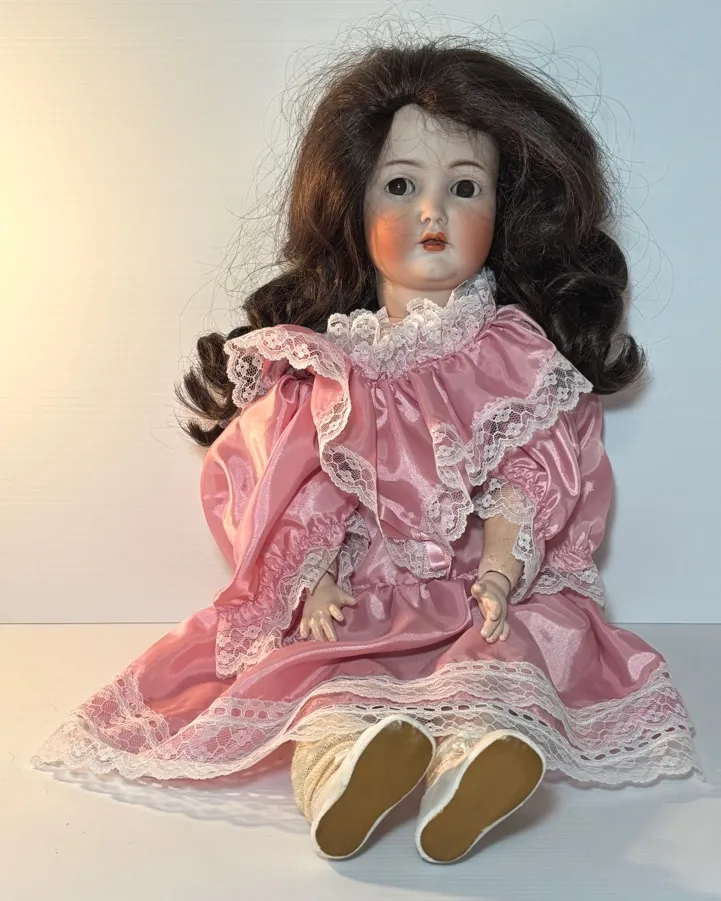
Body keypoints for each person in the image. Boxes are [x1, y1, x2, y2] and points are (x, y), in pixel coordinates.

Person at [33, 39, 702, 865]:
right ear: (351, 204)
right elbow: (297, 487)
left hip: (478, 596)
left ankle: (479, 757)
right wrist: (312, 577)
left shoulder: (511, 355)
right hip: (359, 597)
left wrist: (500, 570)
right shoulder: (325, 369)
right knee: (325, 682)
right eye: (400, 186)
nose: (432, 213)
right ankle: (343, 770)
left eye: (464, 188)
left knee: (498, 666)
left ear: (505, 210)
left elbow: (528, 474)